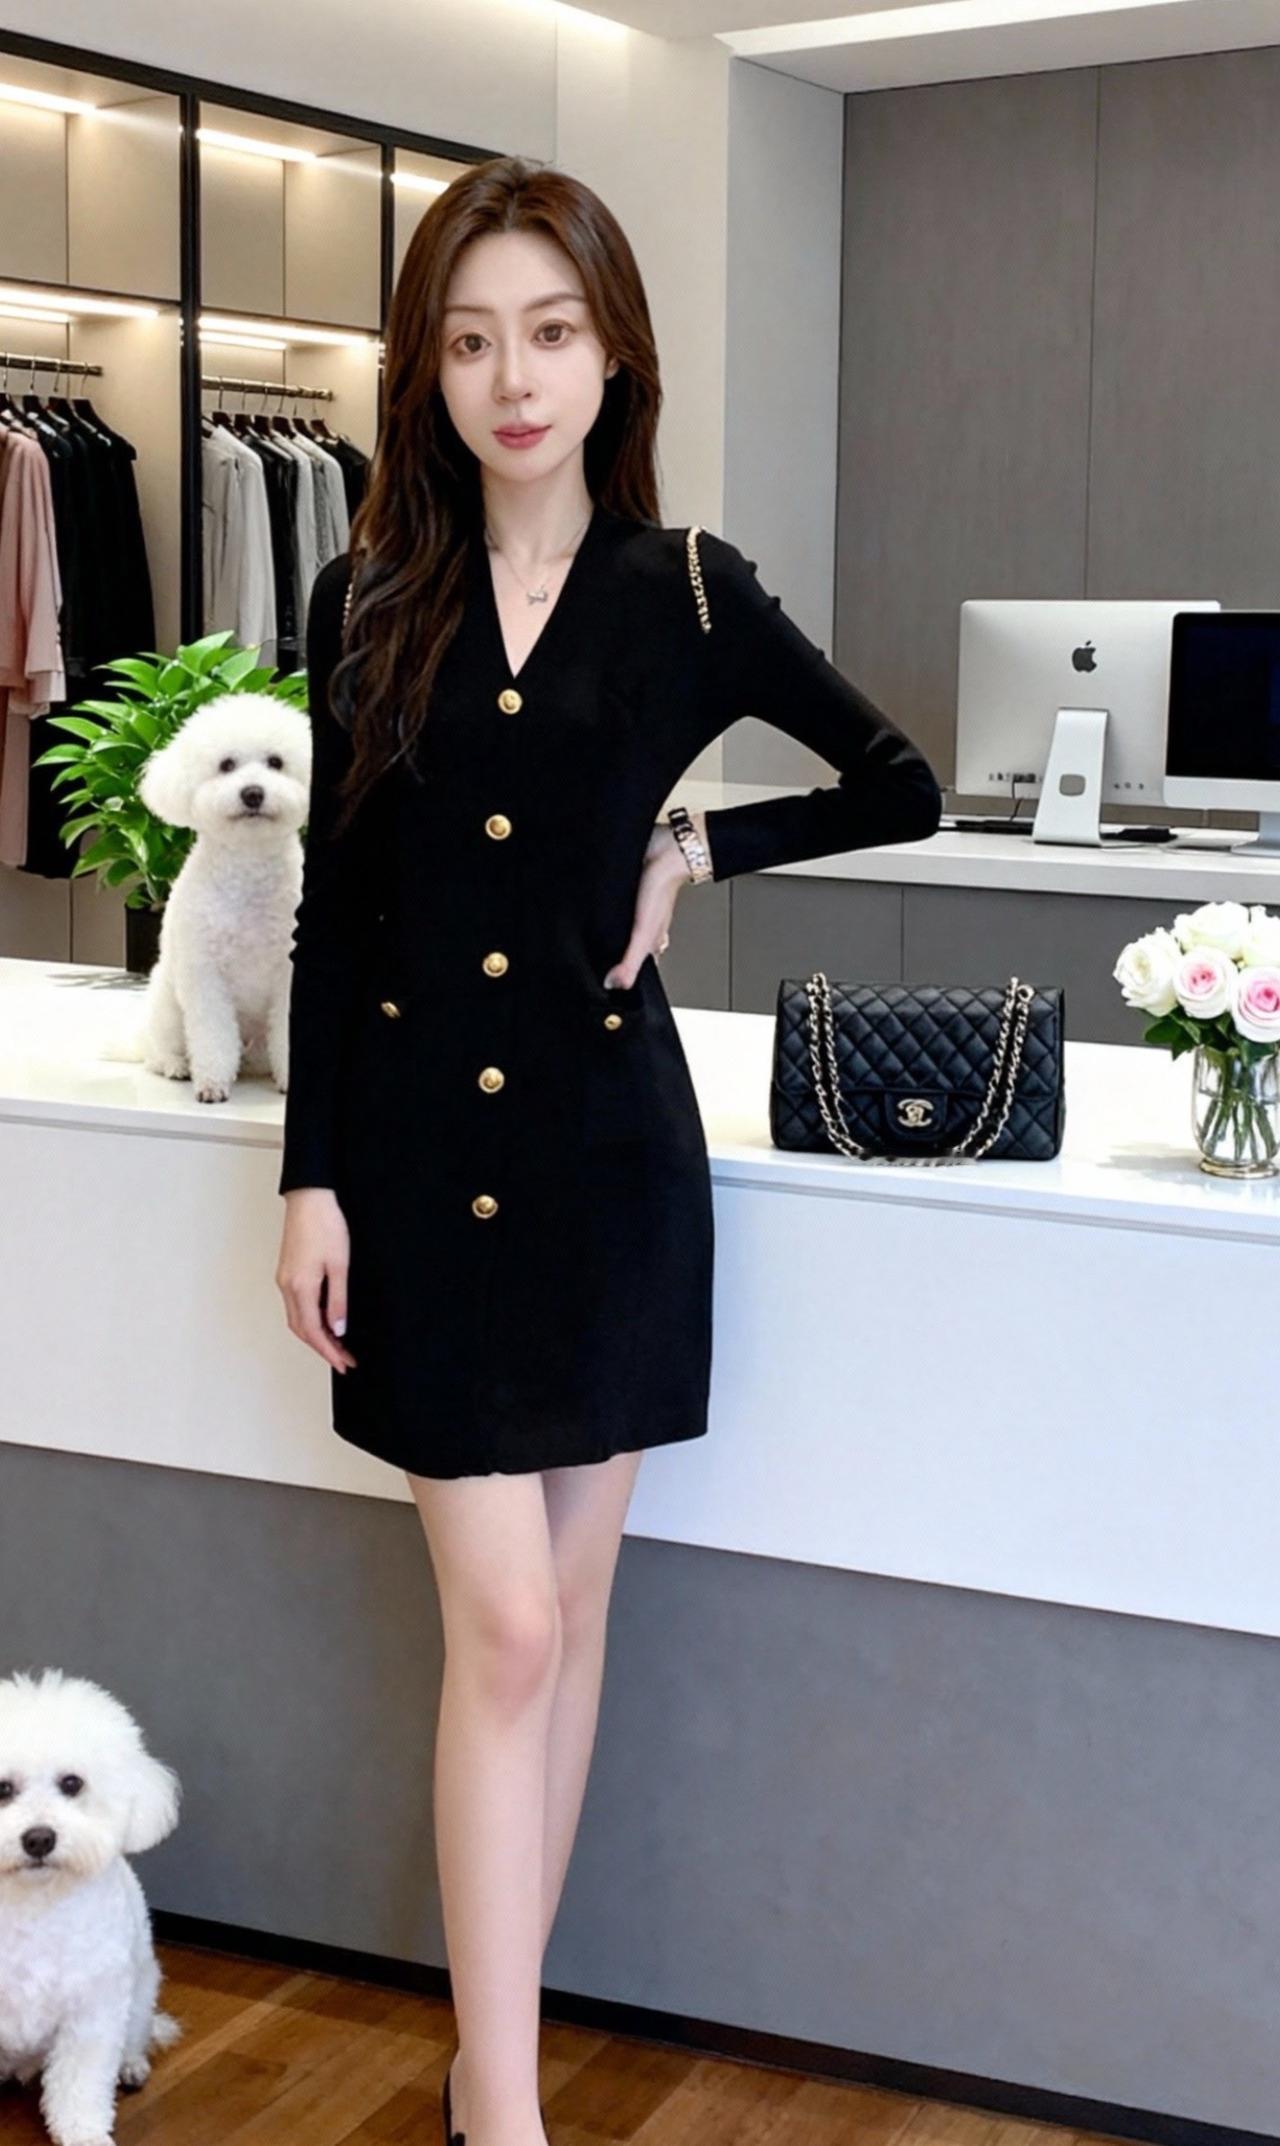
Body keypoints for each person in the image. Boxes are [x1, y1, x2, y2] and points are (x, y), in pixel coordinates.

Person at [275, 154, 941, 2146]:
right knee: (507, 1625)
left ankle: (491, 2076)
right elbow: (334, 913)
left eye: (550, 333)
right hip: (418, 1175)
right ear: (425, 367)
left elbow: (898, 780)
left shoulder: (690, 593)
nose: (514, 378)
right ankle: (507, 2105)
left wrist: (700, 844)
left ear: (614, 353)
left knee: (565, 1626)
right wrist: (308, 1174)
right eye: (472, 339)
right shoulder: (360, 596)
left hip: (611, 1170)